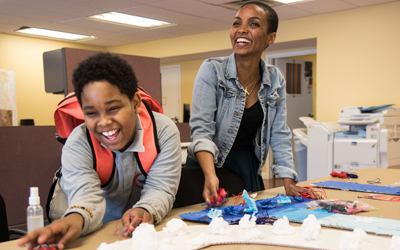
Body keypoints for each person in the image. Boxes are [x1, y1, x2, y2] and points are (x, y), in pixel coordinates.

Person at [17, 52, 182, 250]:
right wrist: (76, 218)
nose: (104, 122)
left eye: (113, 109)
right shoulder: (79, 142)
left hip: (132, 230)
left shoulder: (162, 132)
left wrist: (145, 209)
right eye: (92, 113)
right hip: (87, 228)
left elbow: (161, 188)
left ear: (136, 103)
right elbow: (85, 194)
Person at [187, 1, 308, 203]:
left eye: (253, 24)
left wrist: (288, 179)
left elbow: (279, 132)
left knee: (251, 225)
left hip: (247, 167)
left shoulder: (275, 79)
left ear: (271, 37)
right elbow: (201, 130)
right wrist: (210, 175)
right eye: (236, 23)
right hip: (208, 166)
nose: (241, 30)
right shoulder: (212, 71)